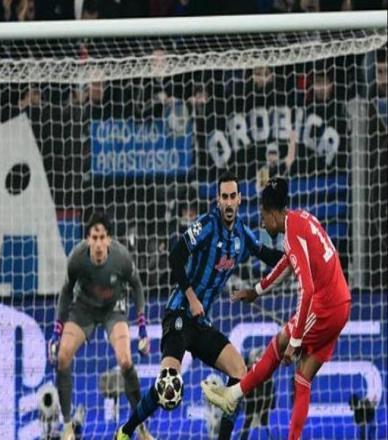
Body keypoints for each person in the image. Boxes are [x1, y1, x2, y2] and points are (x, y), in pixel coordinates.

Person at [115, 170, 283, 440]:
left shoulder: (242, 234)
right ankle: (125, 431)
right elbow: (175, 257)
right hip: (180, 313)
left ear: (240, 199)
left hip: (201, 322)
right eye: (224, 197)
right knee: (168, 383)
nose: (228, 202)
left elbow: (267, 255)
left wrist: (296, 256)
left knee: (240, 372)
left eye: (233, 196)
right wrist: (192, 299)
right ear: (218, 200)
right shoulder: (206, 226)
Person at [202, 177, 351, 440]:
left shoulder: (292, 234)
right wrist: (257, 290)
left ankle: (233, 395)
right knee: (302, 377)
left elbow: (307, 290)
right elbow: (286, 263)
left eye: (262, 217)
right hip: (342, 304)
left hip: (325, 306)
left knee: (280, 341)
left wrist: (295, 341)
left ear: (272, 214)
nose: (261, 223)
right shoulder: (300, 218)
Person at [48, 212, 153, 440]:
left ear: (109, 239)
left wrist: (142, 327)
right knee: (62, 357)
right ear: (87, 239)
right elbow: (66, 292)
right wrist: (56, 332)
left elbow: (137, 287)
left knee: (125, 361)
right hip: (83, 309)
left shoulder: (121, 257)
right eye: (94, 238)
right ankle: (67, 427)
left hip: (113, 309)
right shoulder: (77, 258)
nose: (98, 243)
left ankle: (142, 428)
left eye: (102, 238)